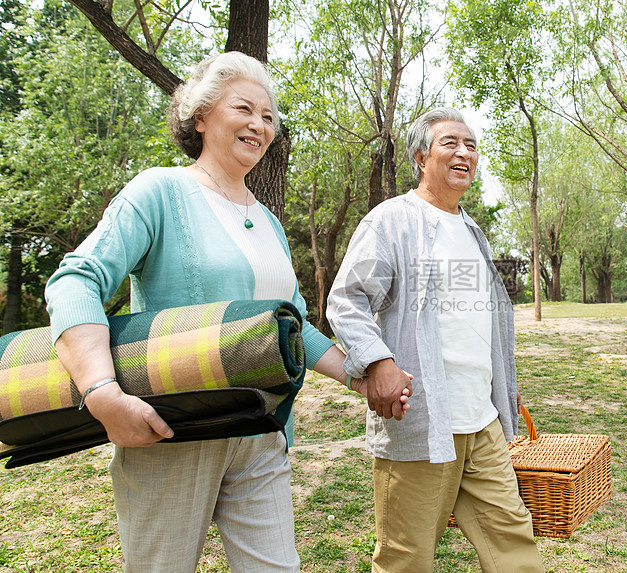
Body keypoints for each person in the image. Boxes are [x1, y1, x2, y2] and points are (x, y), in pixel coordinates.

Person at [44, 52, 388, 573]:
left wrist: (355, 375)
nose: (259, 125)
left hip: (262, 430)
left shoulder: (268, 220)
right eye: (244, 108)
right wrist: (101, 392)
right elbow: (76, 280)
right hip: (172, 430)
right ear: (201, 115)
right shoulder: (159, 192)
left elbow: (288, 315)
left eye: (269, 116)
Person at [327, 107, 544, 573]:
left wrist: (502, 382)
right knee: (407, 558)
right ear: (422, 157)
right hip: (422, 420)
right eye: (450, 143)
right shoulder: (391, 221)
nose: (464, 152)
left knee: (514, 547)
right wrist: (377, 361)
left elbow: (479, 321)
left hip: (482, 420)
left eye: (470, 145)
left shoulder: (473, 232)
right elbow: (346, 301)